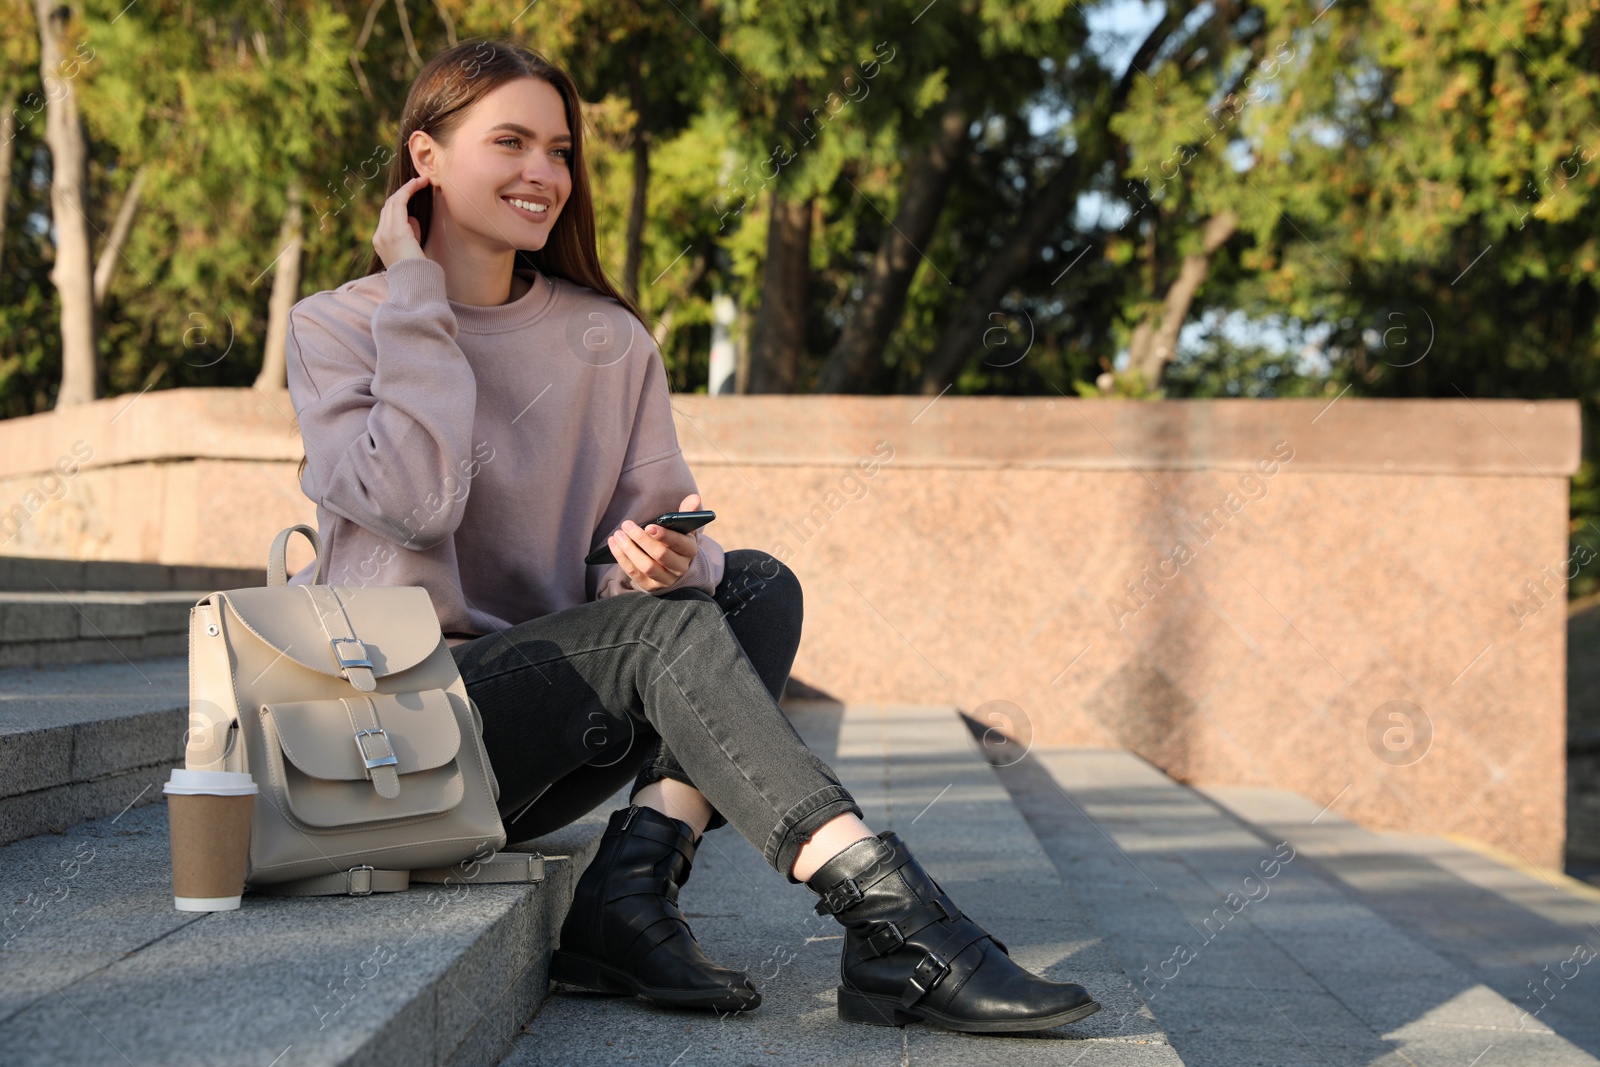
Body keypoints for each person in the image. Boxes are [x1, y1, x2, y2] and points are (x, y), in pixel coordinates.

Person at [284, 37, 1099, 1034]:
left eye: (560, 149)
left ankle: (627, 897)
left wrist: (661, 560)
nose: (544, 172)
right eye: (510, 142)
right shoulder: (337, 327)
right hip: (398, 734)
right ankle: (894, 918)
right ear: (425, 159)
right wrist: (414, 293)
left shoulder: (608, 339)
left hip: (541, 733)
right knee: (663, 633)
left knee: (755, 584)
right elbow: (417, 500)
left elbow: (669, 539)